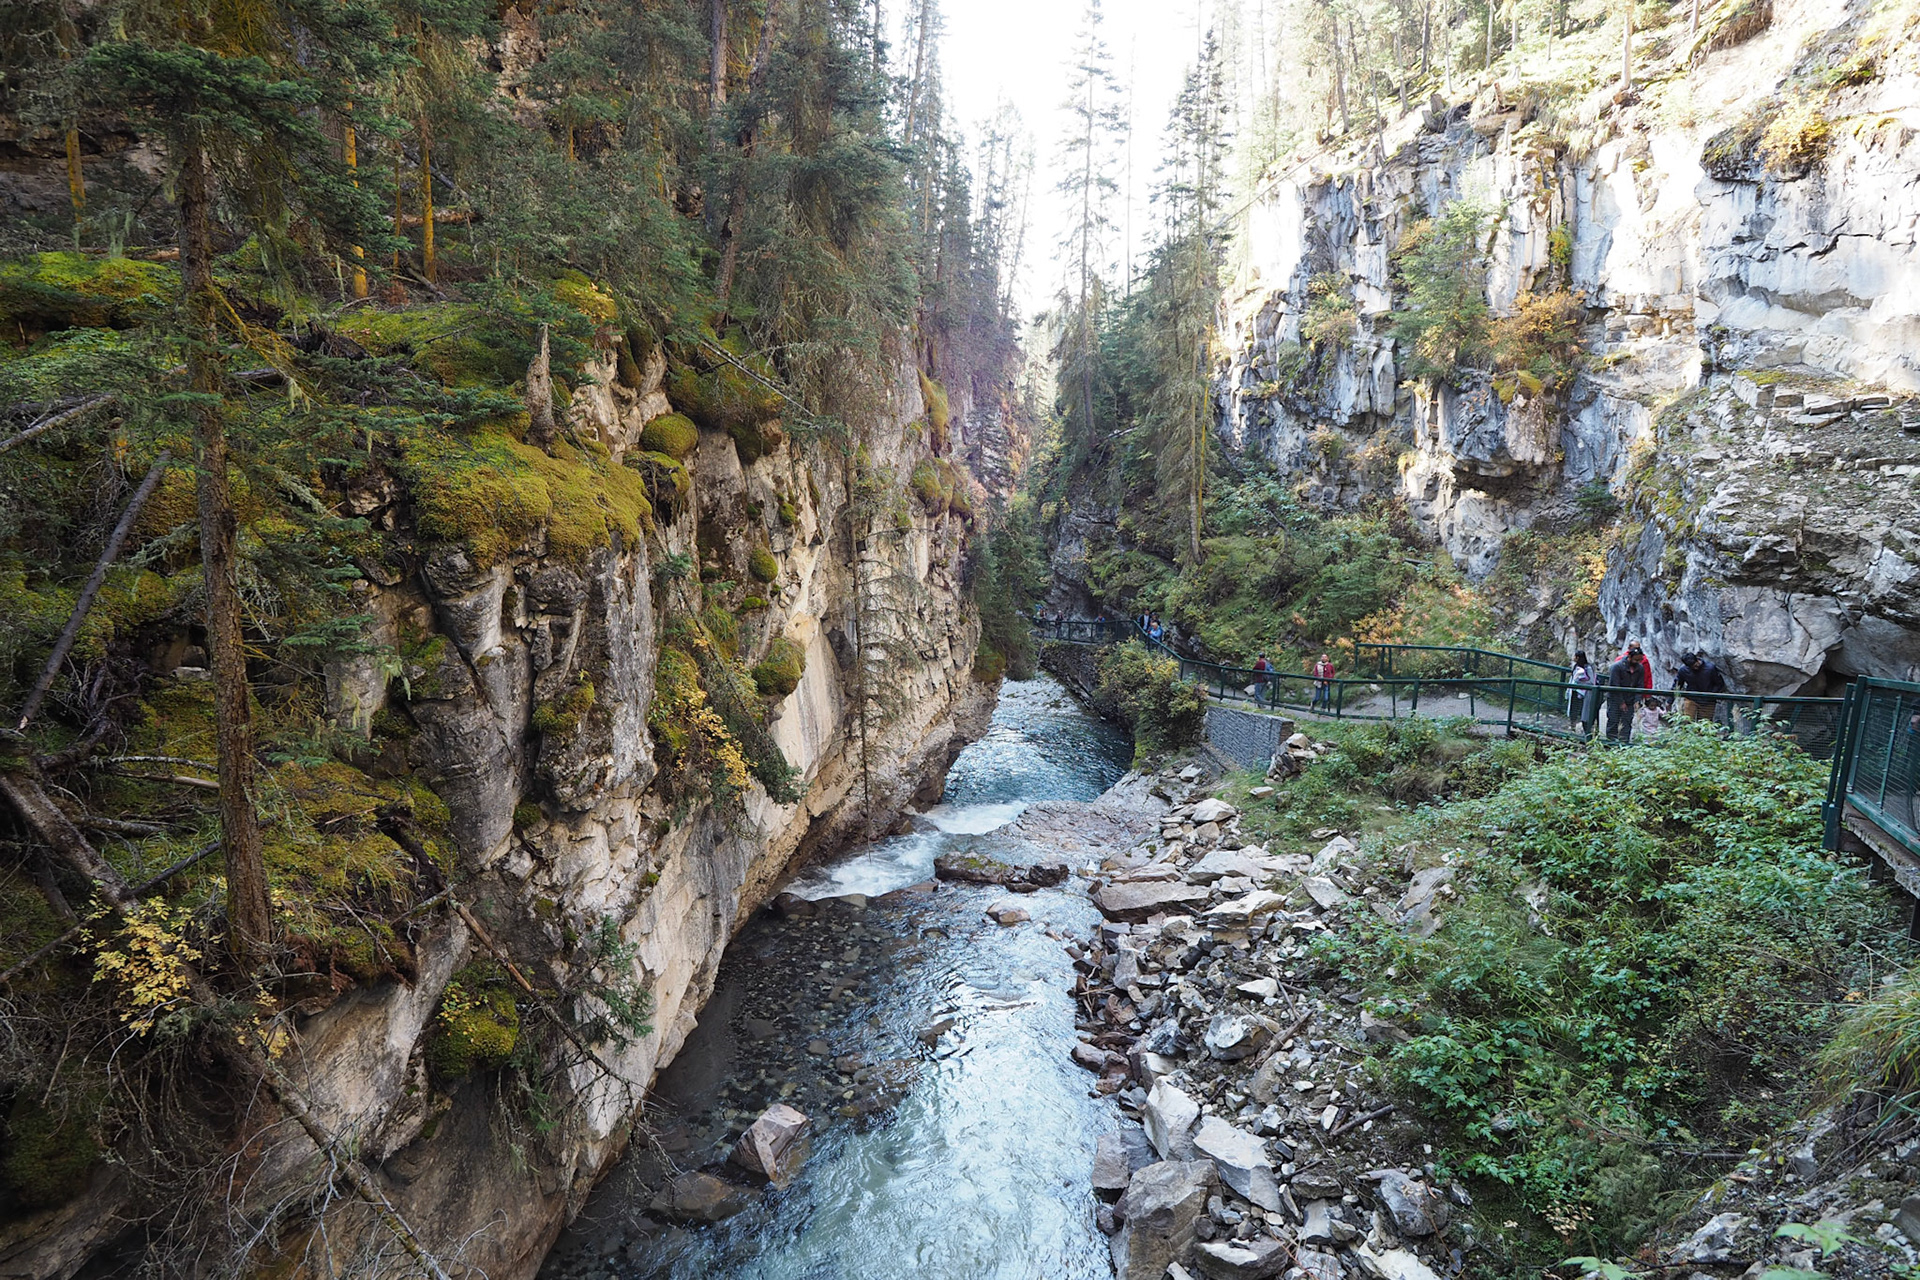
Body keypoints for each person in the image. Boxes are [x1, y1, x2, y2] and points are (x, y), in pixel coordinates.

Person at [1602, 640, 1651, 743]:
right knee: (1613, 720)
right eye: (1636, 660)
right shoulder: (1617, 667)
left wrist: (1637, 700)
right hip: (1615, 698)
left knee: (1627, 722)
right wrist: (1621, 702)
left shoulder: (1640, 668)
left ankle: (1624, 743)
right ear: (1630, 657)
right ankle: (1611, 742)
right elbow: (1614, 685)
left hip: (1630, 699)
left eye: (1639, 660)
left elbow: (1640, 685)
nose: (1637, 662)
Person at [1675, 651, 1728, 721]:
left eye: (1695, 665)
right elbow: (1677, 684)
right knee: (1687, 721)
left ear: (1697, 660)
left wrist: (1710, 694)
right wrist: (1670, 701)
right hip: (1691, 698)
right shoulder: (1683, 670)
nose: (1694, 667)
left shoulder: (1710, 668)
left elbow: (1719, 684)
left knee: (1705, 724)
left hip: (1707, 701)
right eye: (1691, 667)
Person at [1569, 650, 1597, 738]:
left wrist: (1581, 682)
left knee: (1584, 712)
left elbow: (1591, 681)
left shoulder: (1588, 668)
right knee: (1574, 710)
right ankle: (1573, 727)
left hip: (1584, 693)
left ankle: (1586, 731)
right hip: (1575, 691)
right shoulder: (1576, 666)